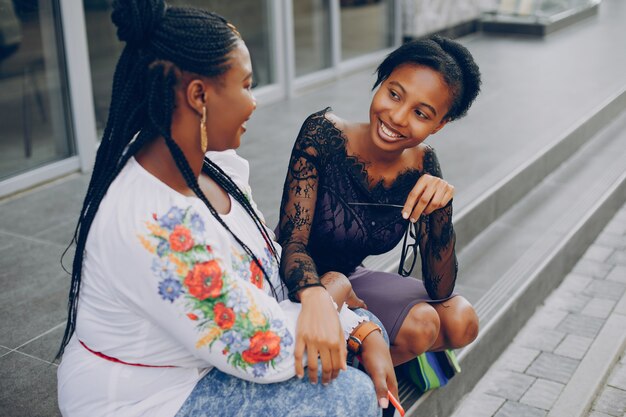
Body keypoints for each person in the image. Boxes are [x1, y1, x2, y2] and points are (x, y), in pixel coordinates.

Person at [56, 1, 397, 416]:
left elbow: (268, 277)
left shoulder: (212, 167)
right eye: (247, 85)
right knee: (349, 396)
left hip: (205, 360)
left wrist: (355, 326)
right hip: (146, 397)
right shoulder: (156, 226)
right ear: (199, 95)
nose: (254, 103)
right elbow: (260, 348)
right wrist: (331, 295)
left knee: (356, 360)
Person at [278, 36, 482, 371]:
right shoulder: (323, 136)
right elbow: (293, 242)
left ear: (440, 124)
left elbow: (440, 288)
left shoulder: (423, 165)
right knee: (422, 325)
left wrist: (441, 211)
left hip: (351, 280)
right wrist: (317, 294)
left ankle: (359, 367)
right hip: (297, 278)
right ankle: (357, 379)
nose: (398, 117)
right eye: (393, 94)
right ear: (381, 82)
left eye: (420, 112)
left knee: (461, 319)